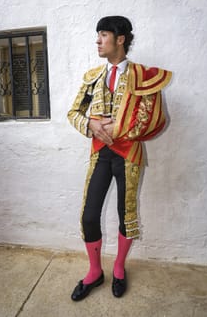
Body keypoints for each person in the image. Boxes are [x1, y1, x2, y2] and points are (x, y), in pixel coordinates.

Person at [67, 16, 172, 301]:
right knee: (90, 216)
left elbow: (153, 119)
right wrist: (92, 125)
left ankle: (118, 267)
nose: (98, 41)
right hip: (100, 154)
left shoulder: (143, 75)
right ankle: (94, 272)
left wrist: (117, 128)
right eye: (97, 36)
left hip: (128, 153)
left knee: (126, 215)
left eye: (103, 35)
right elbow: (73, 113)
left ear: (120, 39)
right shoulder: (93, 77)